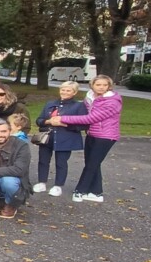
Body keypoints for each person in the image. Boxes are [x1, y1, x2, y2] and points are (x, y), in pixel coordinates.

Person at [48, 74, 122, 203]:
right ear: (92, 85)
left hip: (106, 136)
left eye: (105, 85)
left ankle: (80, 191)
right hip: (92, 134)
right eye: (98, 84)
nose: (101, 87)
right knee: (93, 163)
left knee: (91, 164)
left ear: (109, 86)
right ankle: (97, 193)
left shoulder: (113, 102)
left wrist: (63, 118)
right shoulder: (90, 98)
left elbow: (91, 118)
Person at [33, 80, 87, 197]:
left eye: (69, 90)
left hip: (65, 138)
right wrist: (48, 121)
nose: (65, 92)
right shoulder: (50, 104)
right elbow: (39, 120)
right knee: (43, 161)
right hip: (47, 137)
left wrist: (65, 124)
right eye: (63, 89)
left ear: (74, 92)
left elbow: (83, 124)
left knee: (61, 162)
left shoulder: (78, 106)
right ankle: (41, 182)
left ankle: (58, 185)